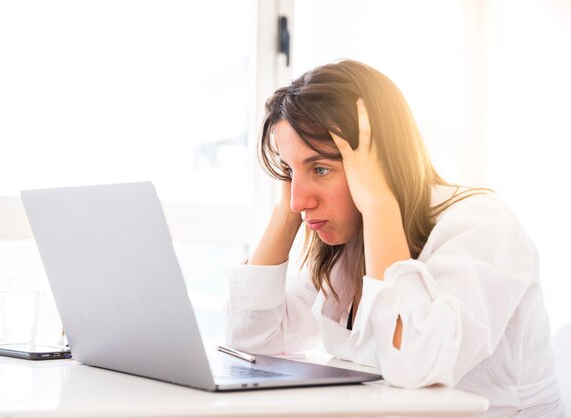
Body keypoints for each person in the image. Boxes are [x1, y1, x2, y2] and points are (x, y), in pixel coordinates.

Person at [223, 60, 563, 416]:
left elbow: (414, 361)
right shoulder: (348, 244)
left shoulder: (482, 226)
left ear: (379, 163)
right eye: (290, 171)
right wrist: (284, 212)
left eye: (320, 168)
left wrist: (380, 202)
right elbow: (253, 338)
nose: (298, 200)